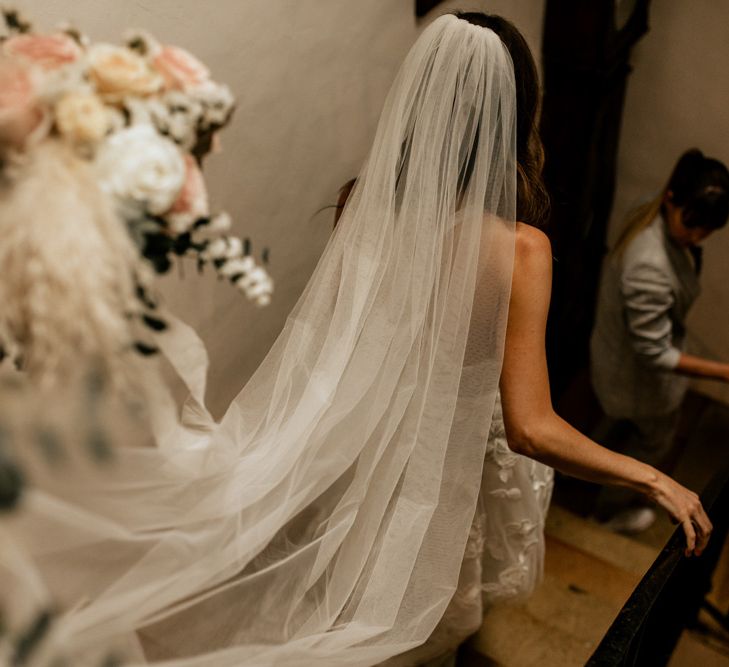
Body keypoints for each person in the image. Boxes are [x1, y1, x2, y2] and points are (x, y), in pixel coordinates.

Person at [8, 12, 711, 667]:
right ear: (516, 113)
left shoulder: (362, 201)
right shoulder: (522, 250)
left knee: (350, 586)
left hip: (361, 439)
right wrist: (649, 473)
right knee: (423, 597)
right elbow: (529, 426)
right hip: (445, 457)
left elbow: (346, 338)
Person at [591, 149, 729, 534]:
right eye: (693, 224)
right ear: (673, 198)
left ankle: (599, 456)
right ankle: (607, 512)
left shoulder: (646, 209)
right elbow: (654, 352)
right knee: (652, 442)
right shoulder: (650, 264)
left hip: (612, 356)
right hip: (636, 377)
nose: (698, 236)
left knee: (615, 422)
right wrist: (724, 373)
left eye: (709, 230)